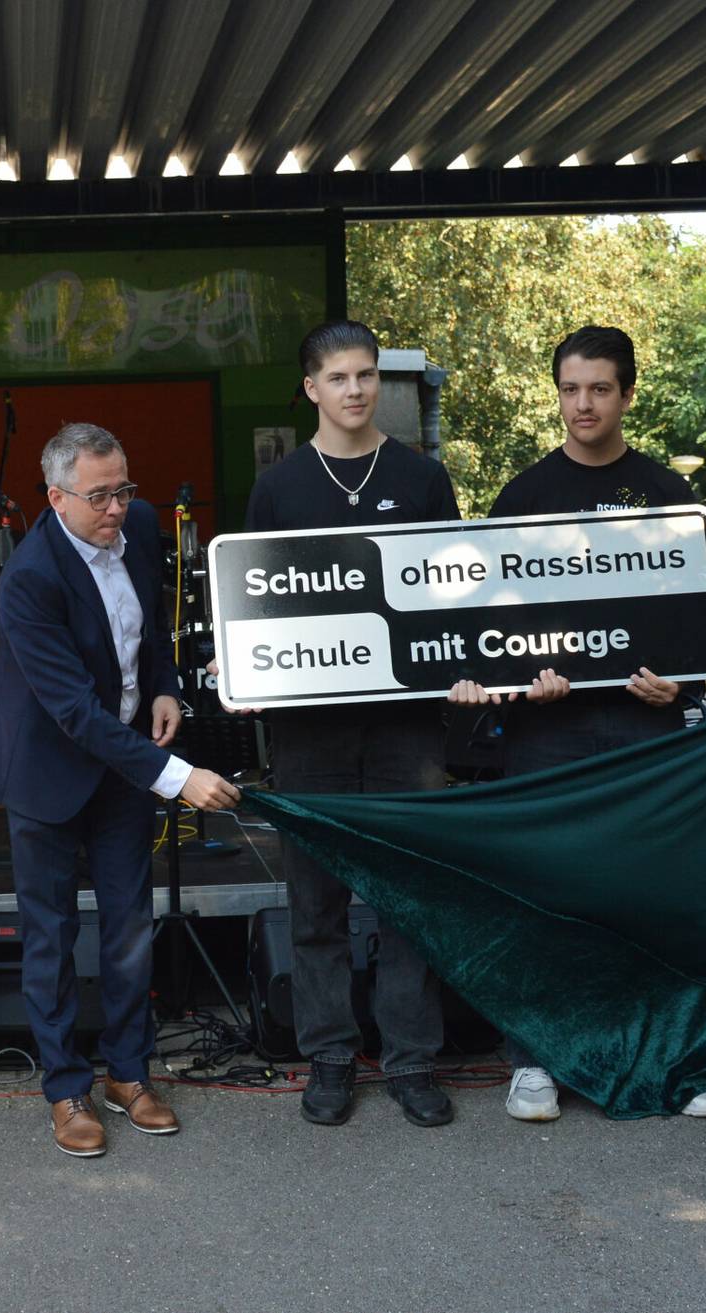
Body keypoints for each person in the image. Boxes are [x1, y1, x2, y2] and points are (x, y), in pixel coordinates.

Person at [447, 324, 706, 1122]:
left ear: (628, 394)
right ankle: (537, 1061)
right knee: (545, 895)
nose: (583, 403)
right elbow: (486, 628)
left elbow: (704, 629)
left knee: (652, 898)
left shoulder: (669, 495)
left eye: (600, 388)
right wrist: (522, 684)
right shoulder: (520, 497)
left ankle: (673, 1059)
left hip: (644, 728)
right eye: (570, 388)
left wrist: (685, 687)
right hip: (548, 733)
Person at [0, 422, 240, 1157]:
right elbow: (71, 713)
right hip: (49, 767)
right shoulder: (30, 576)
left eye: (122, 488)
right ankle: (65, 1087)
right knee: (50, 934)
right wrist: (181, 777)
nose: (117, 507)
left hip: (124, 758)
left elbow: (150, 625)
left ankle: (129, 1073)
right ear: (55, 497)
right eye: (99, 496)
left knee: (129, 926)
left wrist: (163, 687)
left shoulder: (145, 522)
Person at [241, 320, 460, 1129]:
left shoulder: (421, 477)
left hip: (408, 726)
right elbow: (255, 606)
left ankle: (410, 1060)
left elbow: (451, 595)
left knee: (407, 894)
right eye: (338, 377)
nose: (356, 389)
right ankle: (329, 1058)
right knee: (316, 900)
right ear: (311, 389)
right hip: (311, 730)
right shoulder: (280, 487)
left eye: (366, 375)